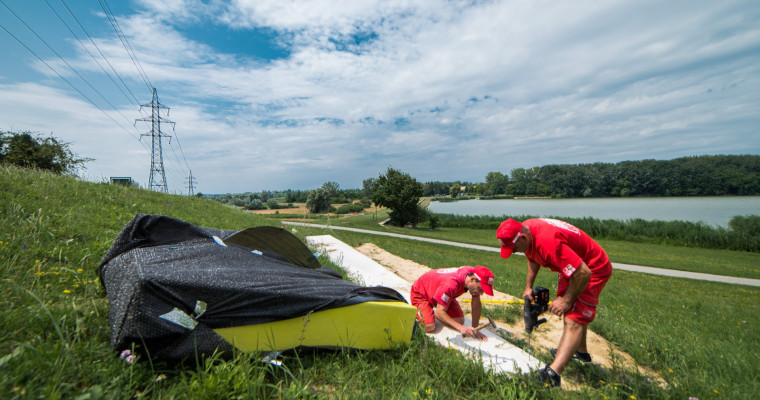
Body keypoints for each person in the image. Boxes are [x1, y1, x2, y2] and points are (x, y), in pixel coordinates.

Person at [497, 218, 613, 388]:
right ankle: (581, 354)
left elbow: (583, 273)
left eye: (513, 248)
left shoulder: (548, 242)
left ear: (522, 238)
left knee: (573, 317)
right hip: (574, 265)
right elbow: (532, 257)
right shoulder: (527, 230)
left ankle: (553, 374)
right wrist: (528, 286)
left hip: (591, 268)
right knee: (572, 311)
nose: (513, 252)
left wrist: (566, 301)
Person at [410, 265, 495, 340]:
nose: (481, 293)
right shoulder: (451, 284)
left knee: (459, 321)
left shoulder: (474, 275)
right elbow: (439, 313)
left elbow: (476, 304)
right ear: (472, 280)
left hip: (441, 291)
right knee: (429, 326)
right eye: (480, 289)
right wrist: (461, 329)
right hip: (421, 292)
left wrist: (475, 328)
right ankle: (413, 320)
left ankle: (438, 303)